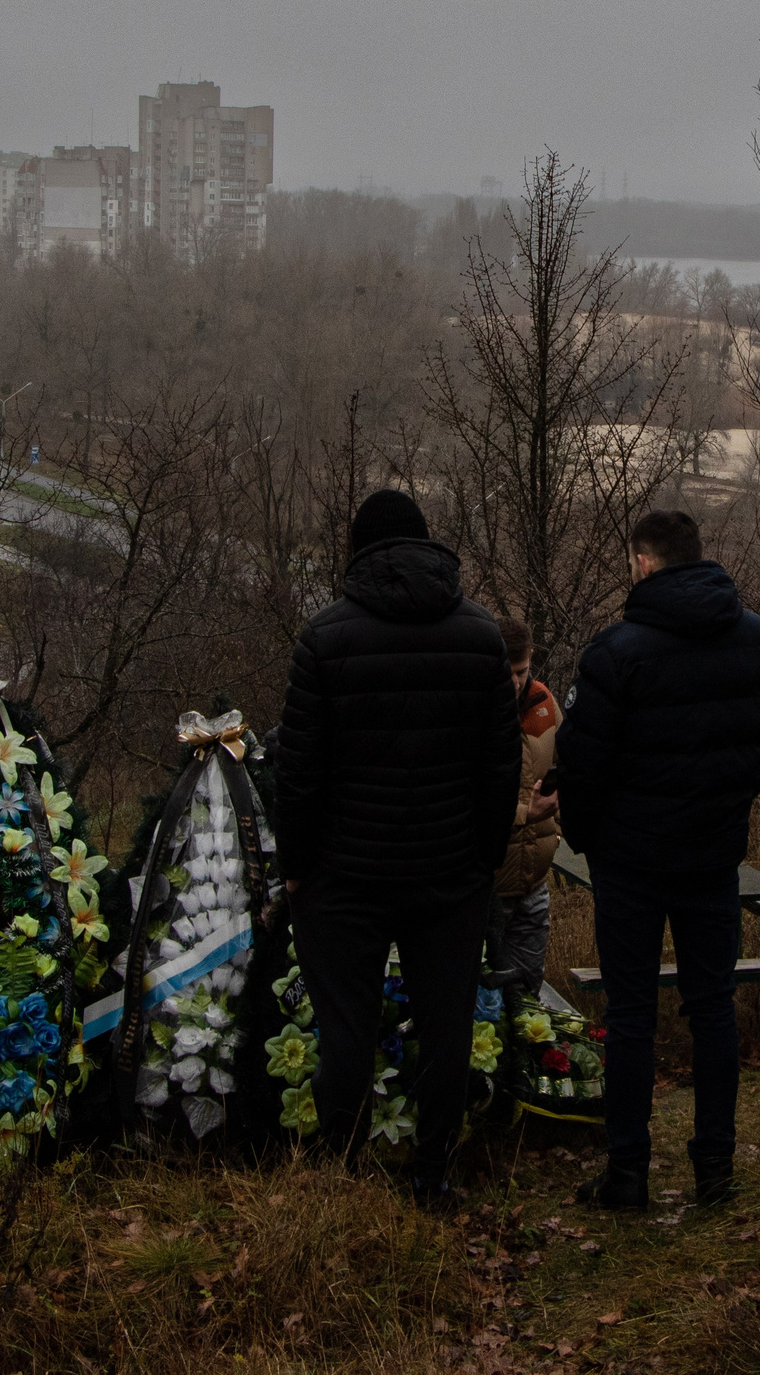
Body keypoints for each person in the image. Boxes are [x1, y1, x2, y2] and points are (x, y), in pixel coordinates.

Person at [268, 490, 519, 1205]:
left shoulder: (324, 637)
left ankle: (341, 1174)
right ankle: (432, 1175)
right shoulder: (481, 636)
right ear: (425, 544)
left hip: (345, 877)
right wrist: (484, 858)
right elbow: (500, 766)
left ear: (357, 551)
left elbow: (300, 773)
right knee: (447, 1029)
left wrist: (297, 867)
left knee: (346, 1030)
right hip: (449, 874)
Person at [546, 510, 760, 1213]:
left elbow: (582, 762)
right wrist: (732, 795)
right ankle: (714, 1165)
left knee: (631, 1014)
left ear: (644, 564)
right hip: (711, 852)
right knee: (714, 1006)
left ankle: (628, 1170)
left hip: (630, 859)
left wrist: (592, 838)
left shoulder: (616, 651)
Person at [490, 616, 563, 985]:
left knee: (529, 988)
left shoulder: (545, 703)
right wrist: (525, 814)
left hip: (533, 882)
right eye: (508, 671)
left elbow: (569, 760)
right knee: (479, 999)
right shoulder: (470, 711)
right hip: (486, 887)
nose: (516, 681)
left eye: (522, 670)